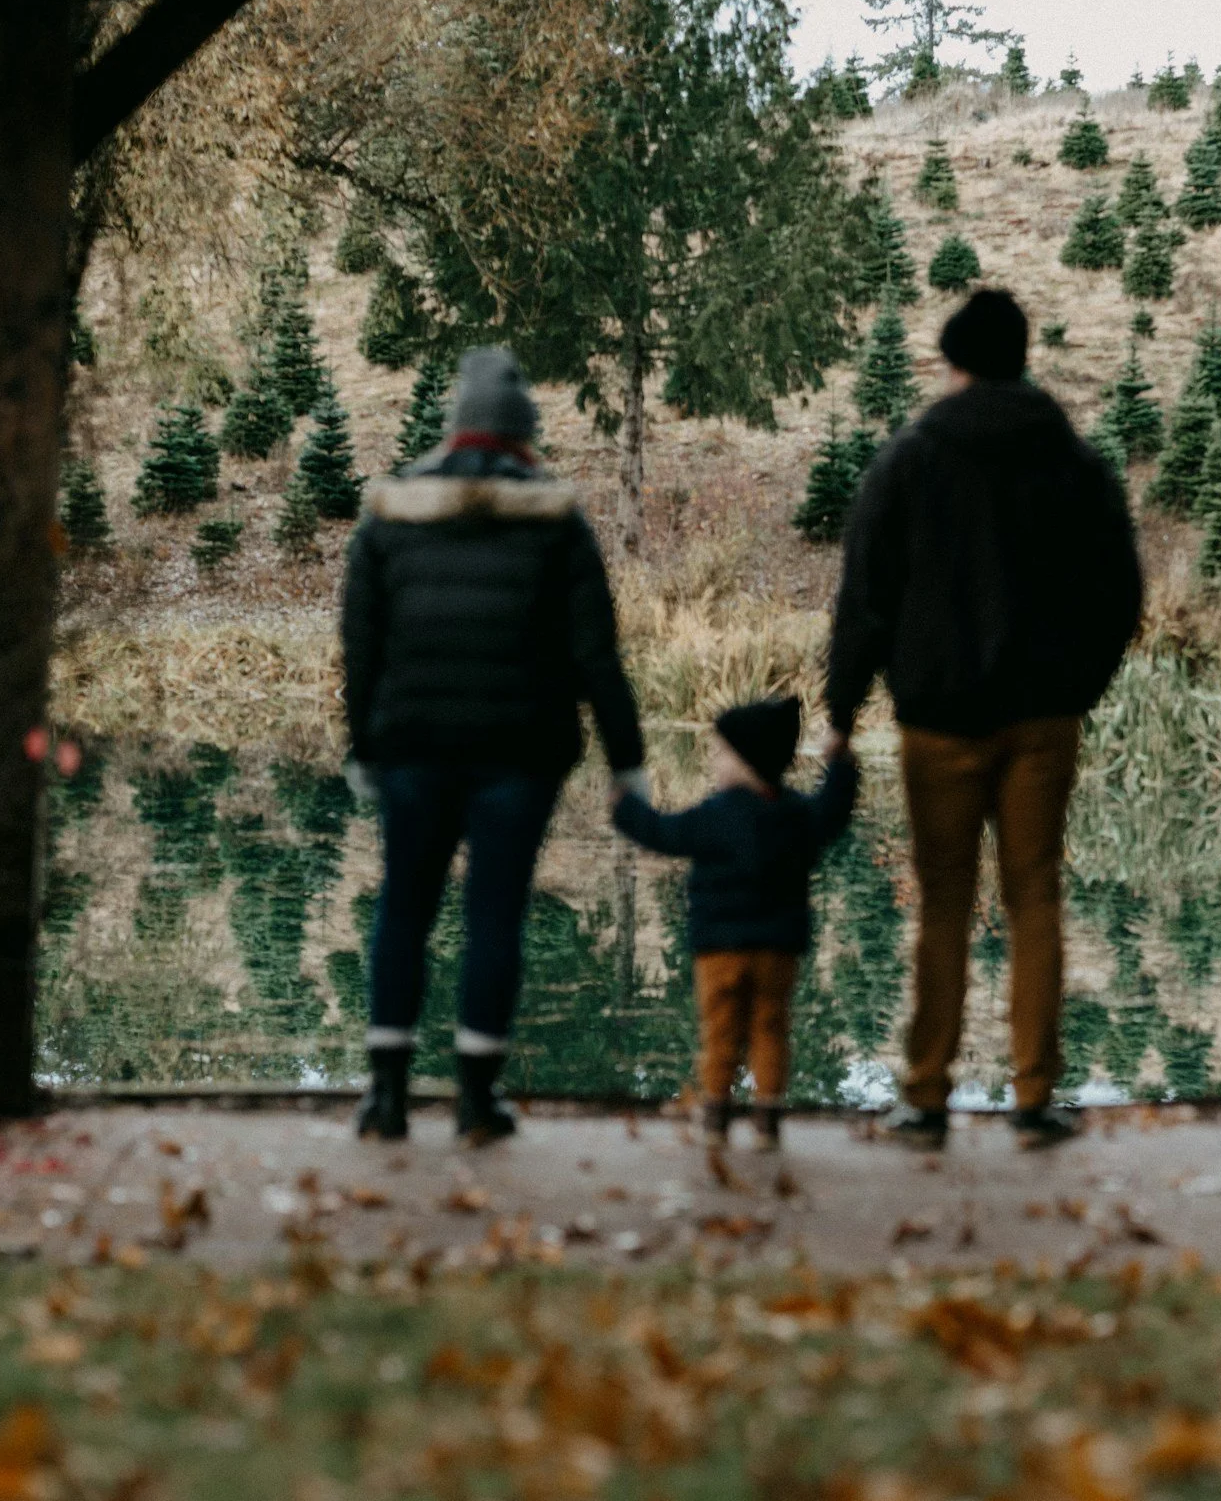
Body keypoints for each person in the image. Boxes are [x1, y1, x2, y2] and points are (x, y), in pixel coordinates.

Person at [827, 289, 1143, 1151]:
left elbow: (866, 593)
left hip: (938, 721)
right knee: (1035, 895)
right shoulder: (1076, 463)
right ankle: (1035, 1098)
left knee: (942, 905)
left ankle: (926, 1097)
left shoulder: (910, 458)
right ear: (1022, 359)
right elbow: (1122, 594)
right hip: (1044, 719)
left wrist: (842, 710)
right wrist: (1080, 685)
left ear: (956, 362)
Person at [341, 347, 647, 1145]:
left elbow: (360, 642)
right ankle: (477, 1102)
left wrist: (362, 742)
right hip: (522, 750)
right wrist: (628, 761)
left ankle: (386, 1099)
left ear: (454, 427)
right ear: (526, 433)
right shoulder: (557, 519)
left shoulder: (392, 509)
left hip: (410, 745)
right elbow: (596, 656)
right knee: (495, 916)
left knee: (403, 909)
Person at [612, 696, 858, 1146]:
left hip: (719, 949)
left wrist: (625, 807)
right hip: (777, 950)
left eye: (719, 752)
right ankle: (766, 1120)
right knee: (770, 1030)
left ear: (745, 761)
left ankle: (717, 1116)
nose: (712, 760)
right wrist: (842, 767)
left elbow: (662, 833)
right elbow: (834, 812)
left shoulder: (713, 816)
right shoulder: (797, 815)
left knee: (720, 1032)